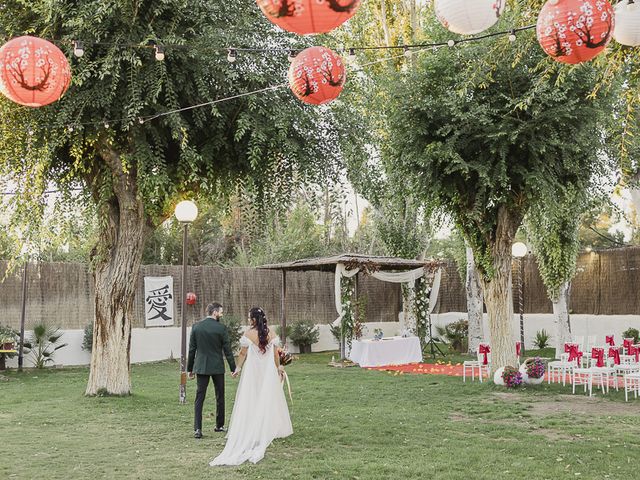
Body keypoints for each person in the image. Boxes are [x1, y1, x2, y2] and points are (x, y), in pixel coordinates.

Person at [210, 307, 292, 466]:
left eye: (249, 318)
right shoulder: (272, 333)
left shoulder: (248, 334)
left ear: (254, 319)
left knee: (251, 397)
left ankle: (252, 426)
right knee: (269, 398)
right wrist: (278, 368)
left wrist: (237, 369)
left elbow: (242, 354)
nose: (248, 320)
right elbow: (275, 355)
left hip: (253, 372)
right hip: (267, 373)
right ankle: (269, 427)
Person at [188, 302, 236, 439]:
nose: (222, 314)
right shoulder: (221, 328)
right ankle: (219, 425)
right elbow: (227, 351)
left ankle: (197, 428)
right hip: (217, 367)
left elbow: (192, 350)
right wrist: (233, 368)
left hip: (201, 366)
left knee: (199, 397)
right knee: (220, 395)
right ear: (214, 312)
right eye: (220, 312)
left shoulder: (196, 327)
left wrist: (190, 369)